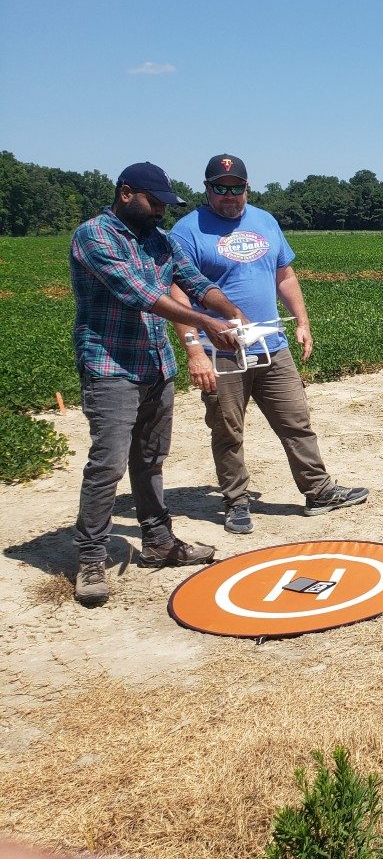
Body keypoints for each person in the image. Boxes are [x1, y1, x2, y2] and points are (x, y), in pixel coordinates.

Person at [69, 162, 244, 607]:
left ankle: (159, 541)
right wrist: (206, 322)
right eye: (155, 202)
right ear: (126, 193)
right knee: (108, 463)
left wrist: (230, 311)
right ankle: (91, 556)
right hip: (110, 366)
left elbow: (195, 281)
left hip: (155, 364)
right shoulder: (95, 236)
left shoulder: (158, 240)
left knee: (150, 458)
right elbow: (139, 294)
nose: (161, 212)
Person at [168, 154, 368, 534]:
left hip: (271, 343)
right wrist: (194, 350)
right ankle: (236, 501)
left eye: (236, 187)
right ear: (206, 188)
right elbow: (177, 297)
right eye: (220, 188)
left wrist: (304, 321)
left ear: (247, 187)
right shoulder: (186, 231)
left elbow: (285, 276)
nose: (229, 195)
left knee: (296, 421)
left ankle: (318, 491)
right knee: (228, 429)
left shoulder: (265, 221)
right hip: (222, 351)